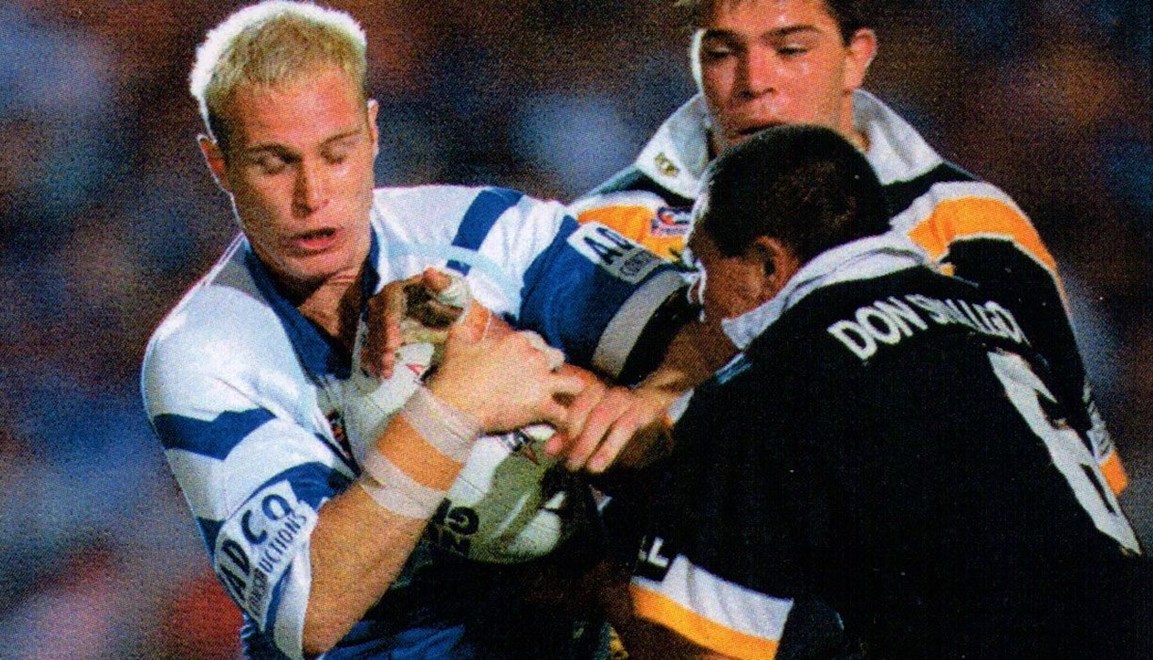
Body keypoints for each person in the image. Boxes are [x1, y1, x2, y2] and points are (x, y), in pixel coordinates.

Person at [141, 2, 698, 657]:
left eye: (337, 153)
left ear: (373, 132)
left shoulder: (488, 231)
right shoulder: (202, 351)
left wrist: (571, 391)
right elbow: (309, 609)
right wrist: (453, 408)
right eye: (274, 163)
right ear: (218, 163)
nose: (312, 195)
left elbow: (726, 345)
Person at [596, 124, 1153, 659]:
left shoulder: (772, 380)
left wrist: (592, 572)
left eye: (701, 265)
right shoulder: (988, 312)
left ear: (767, 264)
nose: (696, 294)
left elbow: (706, 649)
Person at [569, 0, 1126, 495]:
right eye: (721, 53)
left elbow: (1081, 476)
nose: (754, 81)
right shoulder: (602, 229)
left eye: (790, 50)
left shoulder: (974, 225)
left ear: (856, 56)